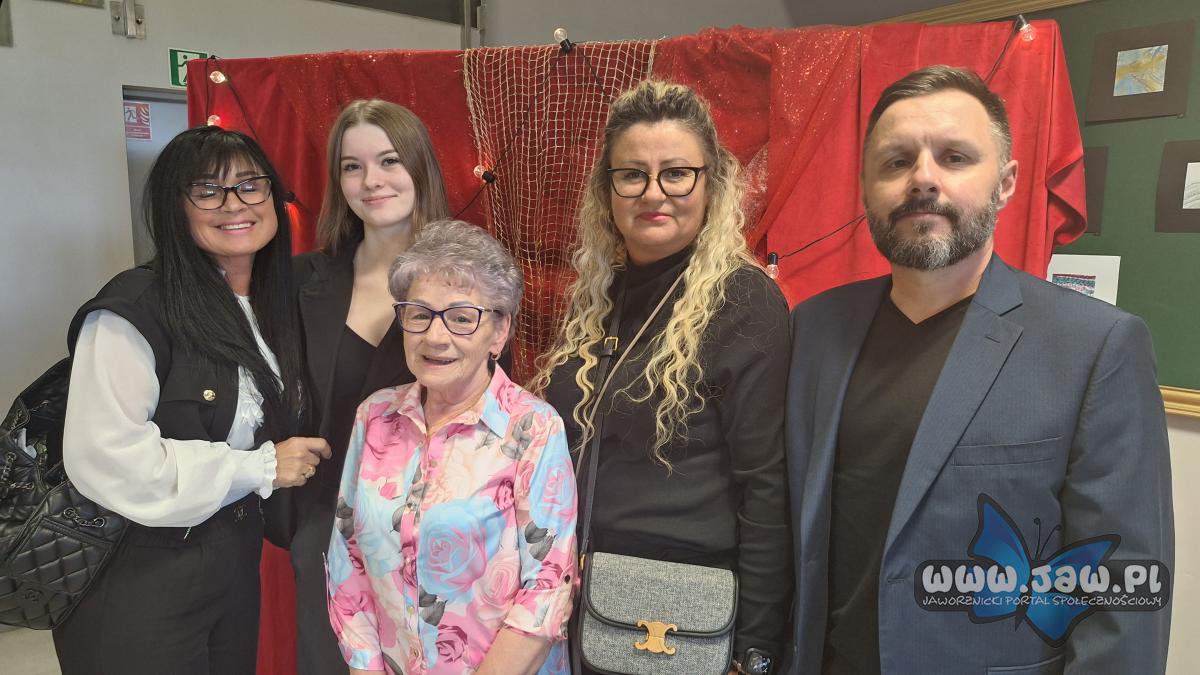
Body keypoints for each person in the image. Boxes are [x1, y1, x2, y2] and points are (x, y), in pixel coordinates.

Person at [785, 65, 1173, 674]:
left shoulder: (1095, 346)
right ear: (866, 189)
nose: (922, 179)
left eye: (955, 157)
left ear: (1006, 182)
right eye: (895, 162)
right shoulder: (813, 328)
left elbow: (1122, 593)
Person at [532, 79, 793, 675]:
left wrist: (755, 651)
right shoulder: (598, 298)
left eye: (676, 174)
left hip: (680, 620)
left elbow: (767, 488)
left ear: (711, 184)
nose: (654, 193)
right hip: (579, 600)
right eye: (633, 175)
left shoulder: (743, 303)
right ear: (608, 190)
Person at [51, 126, 332, 674]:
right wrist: (261, 466)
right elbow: (107, 456)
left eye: (250, 185)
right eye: (208, 190)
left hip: (233, 559)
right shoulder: (134, 309)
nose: (235, 204)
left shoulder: (273, 305)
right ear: (173, 206)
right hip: (137, 571)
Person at [326, 219, 577, 674]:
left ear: (499, 332)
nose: (435, 336)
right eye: (419, 314)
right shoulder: (374, 416)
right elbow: (348, 556)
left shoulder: (534, 428)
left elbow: (547, 587)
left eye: (462, 318)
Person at [287, 99, 451, 673]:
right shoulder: (300, 281)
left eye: (389, 161)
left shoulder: (468, 278)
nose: (372, 181)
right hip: (326, 536)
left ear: (420, 167)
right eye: (352, 167)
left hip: (436, 537)